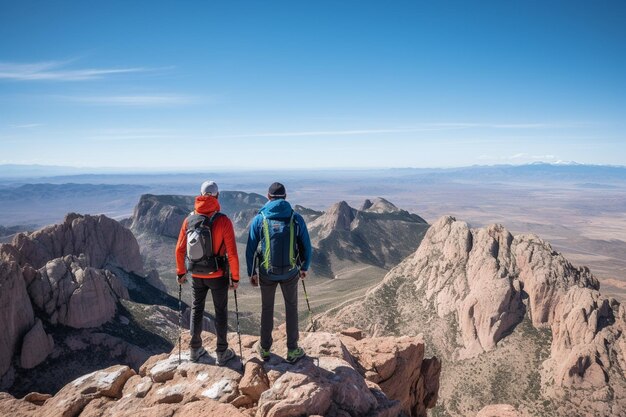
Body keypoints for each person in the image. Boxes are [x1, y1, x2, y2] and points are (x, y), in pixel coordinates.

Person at [246, 182, 312, 363]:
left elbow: (251, 248)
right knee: (291, 308)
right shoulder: (295, 217)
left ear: (268, 197)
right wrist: (304, 267)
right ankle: (292, 350)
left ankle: (265, 349)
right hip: (291, 272)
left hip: (267, 272)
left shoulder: (261, 218)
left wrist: (252, 272)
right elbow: (306, 245)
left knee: (267, 308)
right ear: (285, 197)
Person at [175, 180, 240, 365]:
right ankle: (221, 352)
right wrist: (234, 277)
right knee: (221, 312)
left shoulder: (189, 220)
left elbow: (179, 249)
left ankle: (195, 350)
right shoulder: (223, 220)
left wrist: (181, 273)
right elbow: (233, 253)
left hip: (196, 274)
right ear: (217, 196)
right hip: (218, 275)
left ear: (201, 195)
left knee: (197, 309)